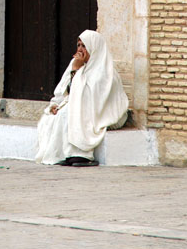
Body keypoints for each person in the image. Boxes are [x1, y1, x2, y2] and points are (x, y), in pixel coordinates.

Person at [35, 30, 129, 167]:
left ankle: (82, 154)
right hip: (82, 107)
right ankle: (66, 154)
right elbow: (65, 91)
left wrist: (75, 71)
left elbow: (91, 98)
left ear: (94, 48)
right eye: (78, 45)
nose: (80, 50)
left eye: (84, 46)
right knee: (53, 117)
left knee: (69, 113)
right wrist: (57, 104)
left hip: (100, 111)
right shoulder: (77, 65)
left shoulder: (106, 73)